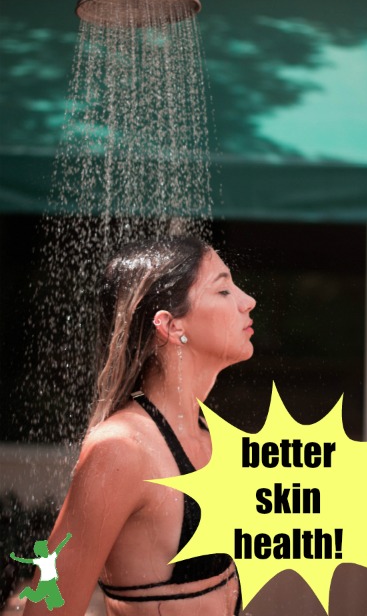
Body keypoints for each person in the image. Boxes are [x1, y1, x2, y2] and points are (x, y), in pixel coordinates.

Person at [22, 234, 256, 616]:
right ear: (169, 325)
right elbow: (47, 608)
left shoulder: (207, 434)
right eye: (224, 290)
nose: (248, 301)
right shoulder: (121, 450)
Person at [10, 534, 72, 611]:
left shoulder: (52, 557)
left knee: (59, 602)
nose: (46, 549)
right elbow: (26, 561)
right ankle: (27, 591)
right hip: (44, 583)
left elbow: (59, 547)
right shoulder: (40, 561)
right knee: (36, 598)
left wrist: (66, 538)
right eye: (44, 548)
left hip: (52, 582)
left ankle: (49, 601)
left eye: (46, 548)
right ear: (40, 552)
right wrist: (15, 558)